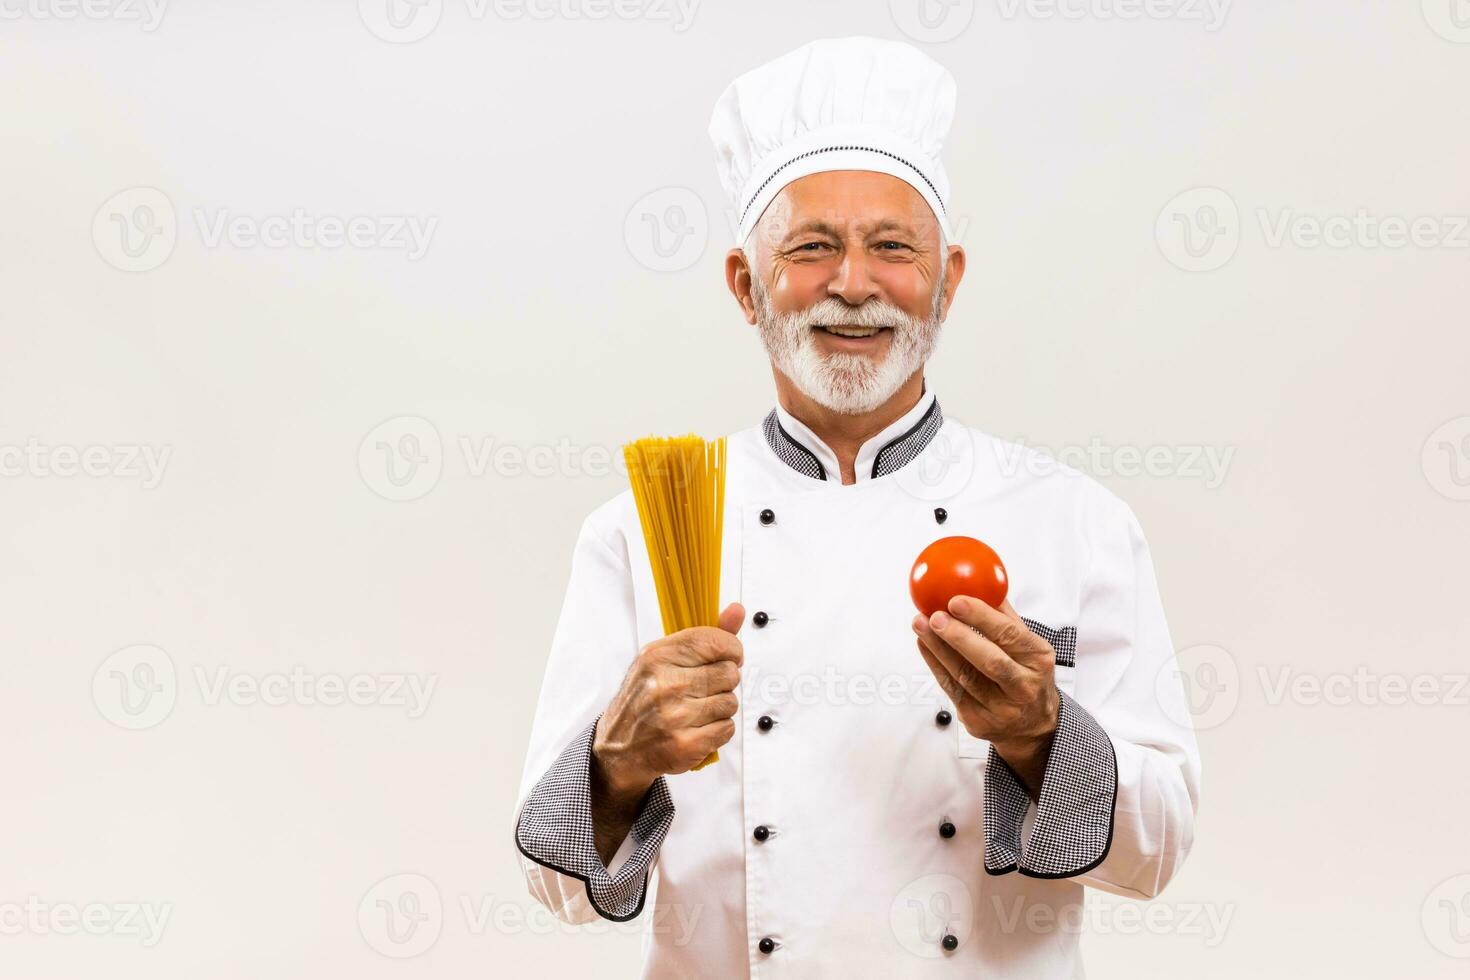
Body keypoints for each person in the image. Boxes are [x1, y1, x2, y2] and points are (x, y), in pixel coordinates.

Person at [513, 35, 1201, 977]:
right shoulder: (639, 531)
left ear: (947, 281)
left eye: (892, 247)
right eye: (810, 248)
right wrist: (616, 762)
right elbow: (552, 885)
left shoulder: (1075, 519)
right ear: (745, 288)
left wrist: (1044, 731)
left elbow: (1161, 847)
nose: (852, 284)